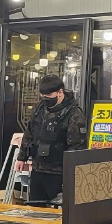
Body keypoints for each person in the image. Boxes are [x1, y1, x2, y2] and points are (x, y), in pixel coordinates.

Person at [18, 74, 87, 204]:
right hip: (37, 169)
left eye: (49, 96)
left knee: (58, 211)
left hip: (59, 174)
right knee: (34, 209)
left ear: (60, 92)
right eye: (42, 96)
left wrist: (70, 174)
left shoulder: (74, 114)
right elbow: (29, 132)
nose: (45, 99)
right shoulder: (39, 108)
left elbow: (77, 147)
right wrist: (21, 157)